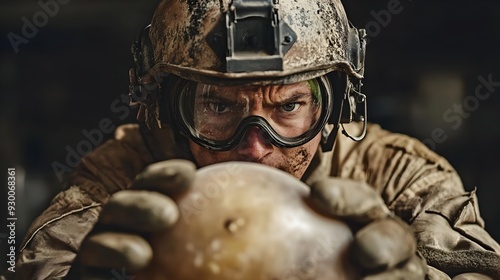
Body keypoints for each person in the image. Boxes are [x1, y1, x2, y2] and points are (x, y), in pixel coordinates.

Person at [15, 0, 500, 279]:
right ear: (164, 110)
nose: (254, 149)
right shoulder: (120, 183)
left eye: (288, 107)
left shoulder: (400, 178)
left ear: (334, 109)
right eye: (219, 107)